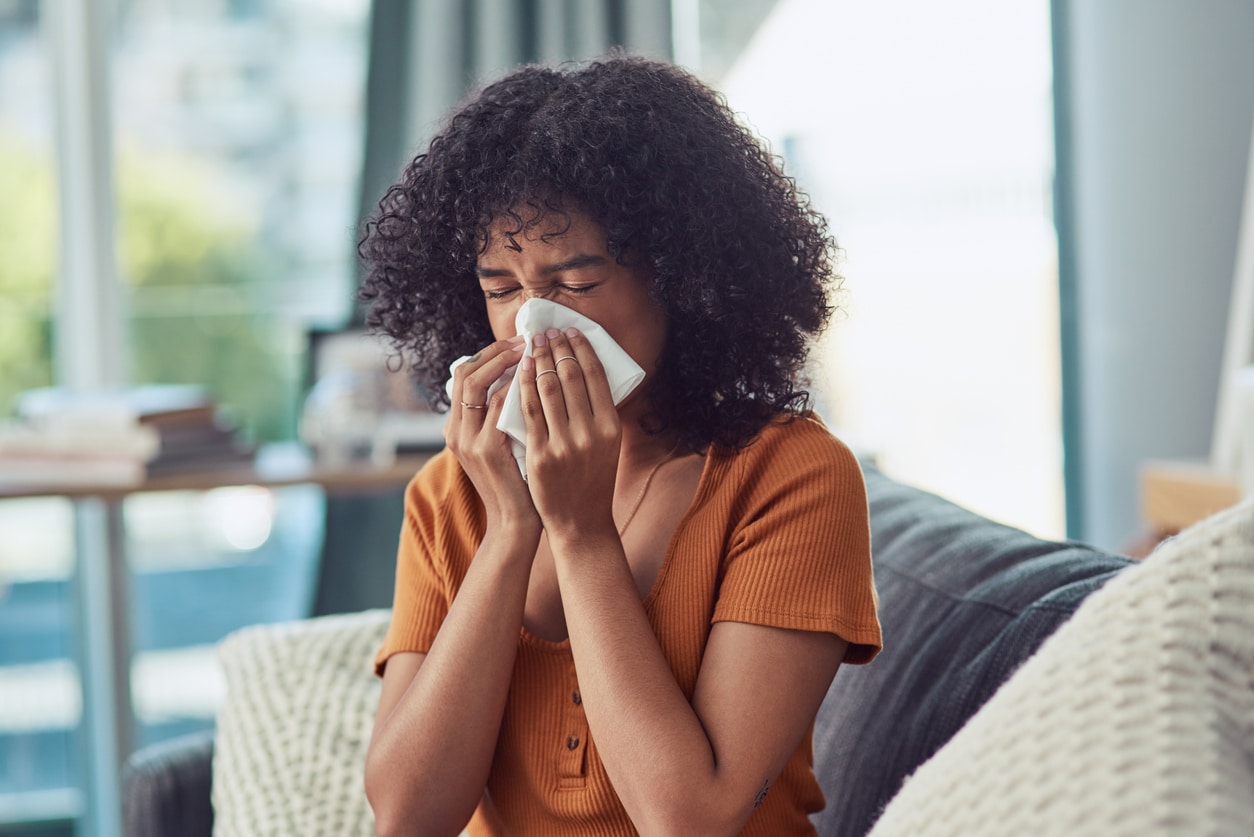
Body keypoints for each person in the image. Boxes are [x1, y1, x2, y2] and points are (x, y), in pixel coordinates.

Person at [358, 53, 881, 837]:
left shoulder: (792, 476)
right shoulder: (452, 490)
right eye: (502, 288)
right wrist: (510, 531)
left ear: (683, 276)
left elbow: (690, 819)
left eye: (574, 281)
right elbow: (406, 816)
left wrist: (580, 531)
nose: (533, 322)